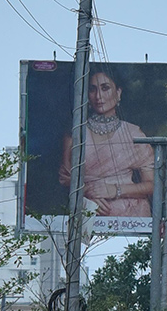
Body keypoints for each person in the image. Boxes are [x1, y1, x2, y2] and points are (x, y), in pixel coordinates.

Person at [59, 67, 155, 216]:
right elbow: (65, 180)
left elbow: (152, 186)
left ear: (118, 93)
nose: (98, 96)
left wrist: (115, 190)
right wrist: (88, 194)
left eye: (105, 88)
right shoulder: (75, 133)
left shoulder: (134, 133)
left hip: (133, 214)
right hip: (87, 212)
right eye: (93, 89)